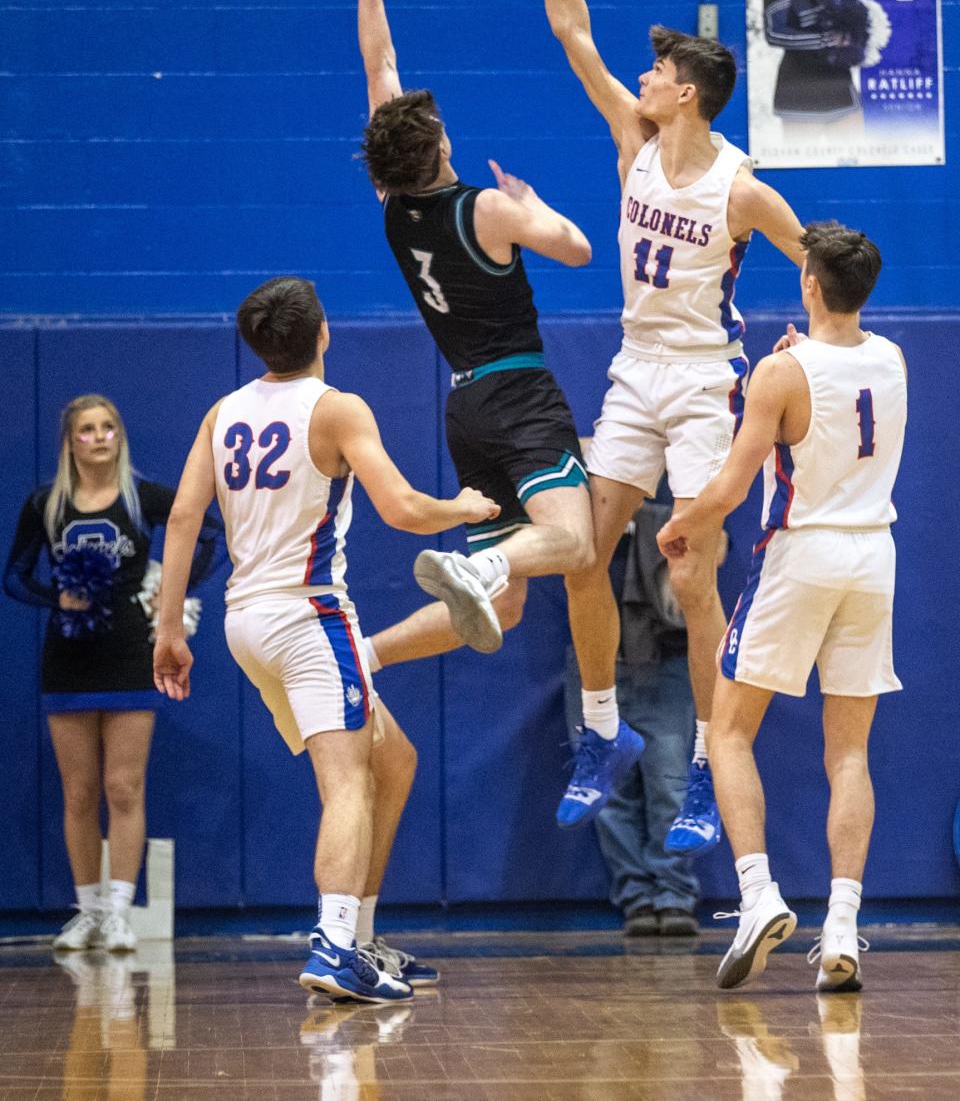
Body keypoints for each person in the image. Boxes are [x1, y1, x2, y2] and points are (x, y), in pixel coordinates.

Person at [507, 0, 806, 855]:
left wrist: (815, 329)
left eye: (657, 71)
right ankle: (604, 734)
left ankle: (715, 772)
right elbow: (570, 29)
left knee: (690, 580)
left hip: (706, 382)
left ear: (688, 92)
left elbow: (820, 259)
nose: (641, 78)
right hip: (636, 372)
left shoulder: (742, 185)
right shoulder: (632, 138)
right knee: (578, 549)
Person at [340, 0, 644, 828]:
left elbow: (378, 65)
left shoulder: (397, 212)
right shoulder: (488, 207)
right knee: (577, 541)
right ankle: (477, 570)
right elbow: (583, 248)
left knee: (508, 607)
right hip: (518, 392)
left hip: (462, 404)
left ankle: (365, 654)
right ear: (439, 146)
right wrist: (538, 203)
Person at [151, 276, 500, 1002]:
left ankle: (360, 938)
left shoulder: (224, 411)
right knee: (347, 782)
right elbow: (403, 508)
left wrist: (167, 628)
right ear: (323, 333)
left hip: (243, 620)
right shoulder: (337, 408)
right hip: (310, 615)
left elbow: (183, 519)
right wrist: (461, 505)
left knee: (392, 757)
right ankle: (335, 944)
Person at [658, 222, 906, 992]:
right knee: (850, 751)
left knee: (729, 729)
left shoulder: (782, 374)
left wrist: (678, 525)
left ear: (809, 284)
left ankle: (759, 892)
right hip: (874, 556)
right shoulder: (893, 357)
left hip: (801, 553)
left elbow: (730, 487)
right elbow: (832, 390)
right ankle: (843, 924)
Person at [3, 394, 222, 953]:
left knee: (123, 785)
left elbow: (207, 530)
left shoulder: (140, 497)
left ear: (119, 436)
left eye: (108, 428)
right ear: (70, 441)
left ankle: (120, 912)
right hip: (68, 656)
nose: (99, 437)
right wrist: (60, 599)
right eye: (86, 430)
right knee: (78, 791)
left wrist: (168, 595)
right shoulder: (45, 504)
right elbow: (15, 575)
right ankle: (89, 912)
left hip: (130, 652)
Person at [563, 486, 702, 937]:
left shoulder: (686, 487)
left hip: (667, 656)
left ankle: (674, 893)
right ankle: (636, 896)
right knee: (607, 791)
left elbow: (714, 550)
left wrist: (649, 520)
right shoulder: (578, 503)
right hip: (597, 663)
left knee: (671, 783)